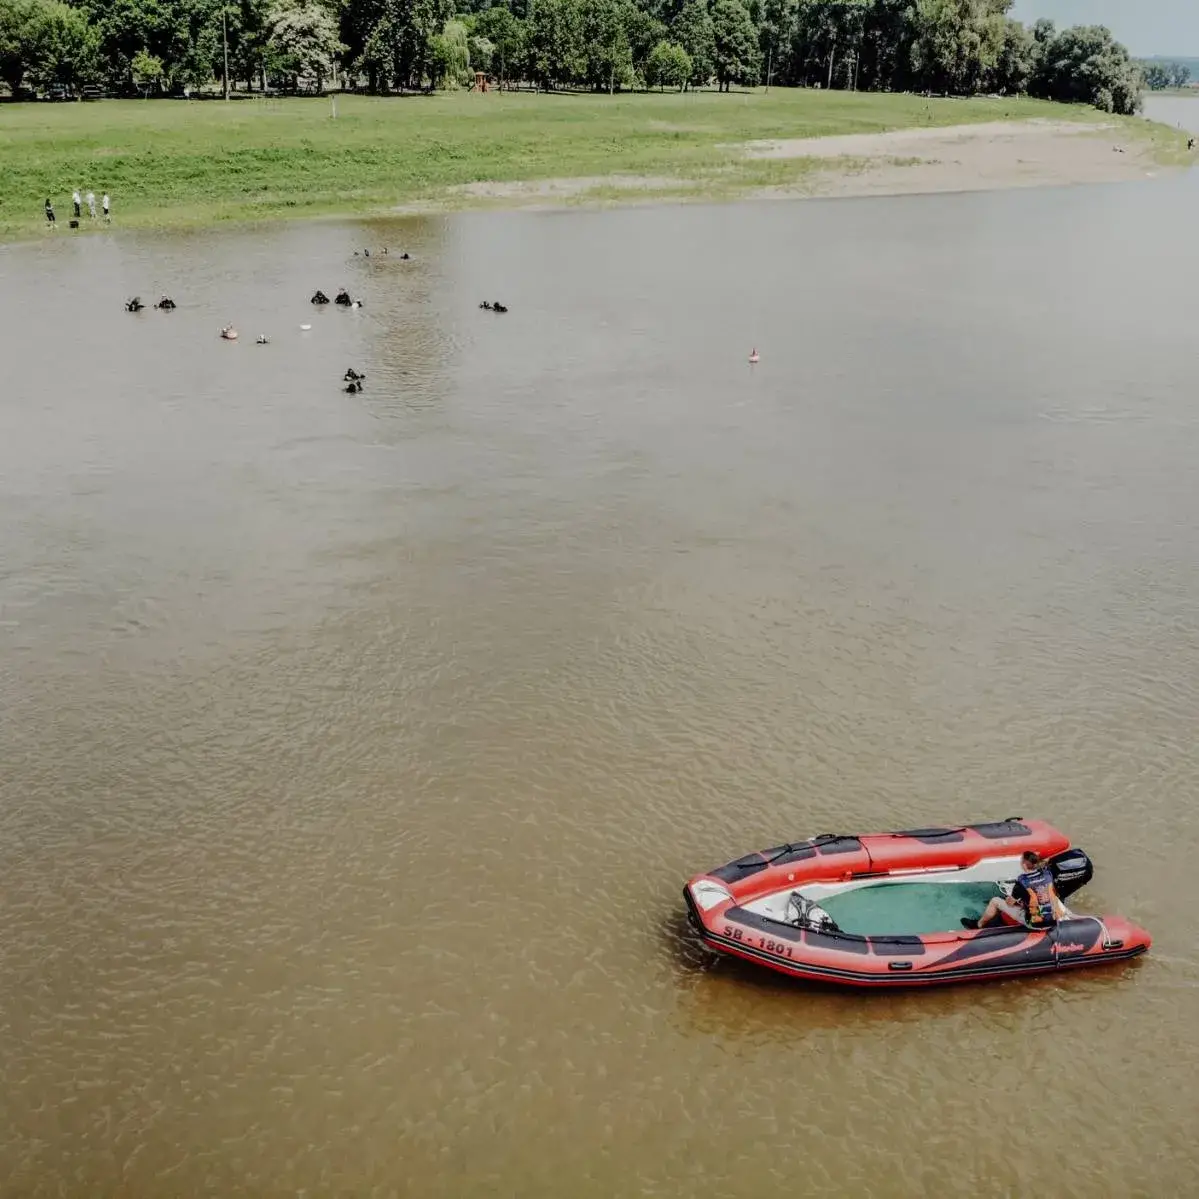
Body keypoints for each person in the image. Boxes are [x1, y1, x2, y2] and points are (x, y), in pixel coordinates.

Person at [962, 852, 1065, 930]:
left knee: (995, 901)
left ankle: (978, 925)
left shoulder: (1022, 882)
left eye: (1021, 861)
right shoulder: (1048, 874)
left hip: (1035, 924)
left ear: (1024, 865)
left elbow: (1010, 903)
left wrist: (1012, 899)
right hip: (1054, 920)